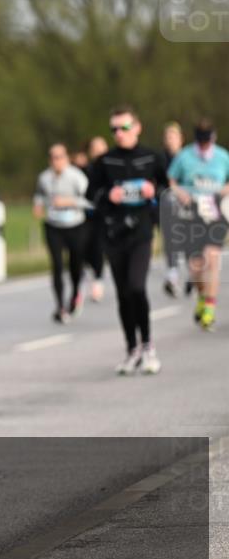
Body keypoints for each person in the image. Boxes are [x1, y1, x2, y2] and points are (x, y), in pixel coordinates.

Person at [88, 105, 168, 375]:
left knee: (137, 287)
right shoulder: (105, 161)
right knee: (123, 294)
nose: (118, 134)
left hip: (141, 232)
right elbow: (92, 194)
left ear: (136, 127)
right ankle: (131, 349)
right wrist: (108, 196)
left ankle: (148, 347)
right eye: (114, 129)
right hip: (113, 232)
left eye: (123, 128)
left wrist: (153, 190)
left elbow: (169, 188)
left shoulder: (151, 157)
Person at [167, 118, 229, 331]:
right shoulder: (184, 156)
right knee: (195, 265)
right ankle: (202, 296)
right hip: (191, 213)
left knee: (212, 258)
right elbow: (171, 180)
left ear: (213, 138)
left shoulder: (222, 156)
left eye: (207, 141)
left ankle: (209, 309)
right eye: (201, 142)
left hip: (215, 212)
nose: (204, 146)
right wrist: (181, 193)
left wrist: (224, 190)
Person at [34, 143, 90, 323]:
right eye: (52, 158)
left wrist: (68, 201)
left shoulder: (76, 177)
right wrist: (38, 205)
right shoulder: (44, 178)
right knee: (56, 265)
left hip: (75, 225)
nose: (56, 161)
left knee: (74, 264)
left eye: (59, 157)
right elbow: (39, 195)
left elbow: (90, 200)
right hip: (53, 225)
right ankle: (60, 306)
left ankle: (75, 293)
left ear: (66, 158)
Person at [80, 136, 110, 302]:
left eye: (101, 147)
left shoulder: (112, 168)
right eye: (95, 148)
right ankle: (89, 270)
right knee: (83, 246)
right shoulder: (86, 169)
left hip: (103, 215)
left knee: (98, 247)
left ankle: (98, 280)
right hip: (86, 214)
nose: (98, 151)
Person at [161, 122, 186, 297]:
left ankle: (194, 276)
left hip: (189, 204)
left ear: (181, 139)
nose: (171, 140)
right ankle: (173, 273)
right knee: (170, 238)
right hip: (168, 205)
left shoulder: (188, 157)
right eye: (168, 137)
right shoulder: (161, 159)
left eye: (174, 136)